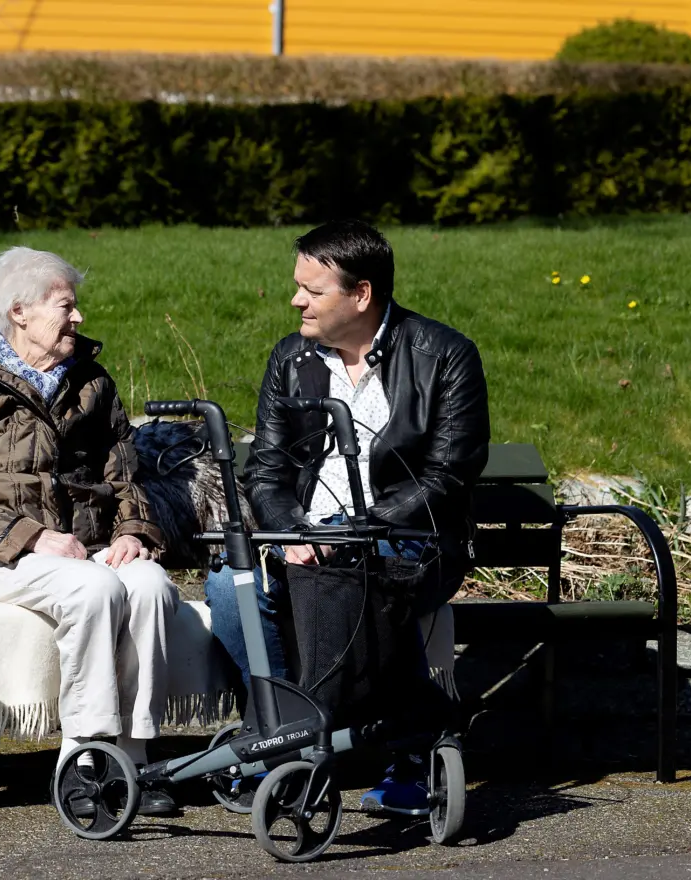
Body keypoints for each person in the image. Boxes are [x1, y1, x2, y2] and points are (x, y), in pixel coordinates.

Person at [204, 219, 489, 812]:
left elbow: (446, 477)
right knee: (229, 591)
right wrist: (290, 535)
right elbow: (268, 472)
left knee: (347, 580)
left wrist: (353, 533)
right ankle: (283, 749)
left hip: (409, 541)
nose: (296, 301)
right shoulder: (290, 358)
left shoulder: (444, 355)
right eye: (297, 286)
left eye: (312, 290)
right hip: (305, 541)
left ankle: (409, 748)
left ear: (360, 295)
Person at [0, 246, 180, 814]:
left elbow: (125, 475)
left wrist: (132, 532)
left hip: (84, 551)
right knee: (94, 589)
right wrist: (31, 538)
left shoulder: (93, 382)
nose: (79, 318)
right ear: (19, 311)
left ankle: (137, 760)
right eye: (67, 306)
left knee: (152, 587)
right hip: (3, 560)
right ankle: (84, 765)